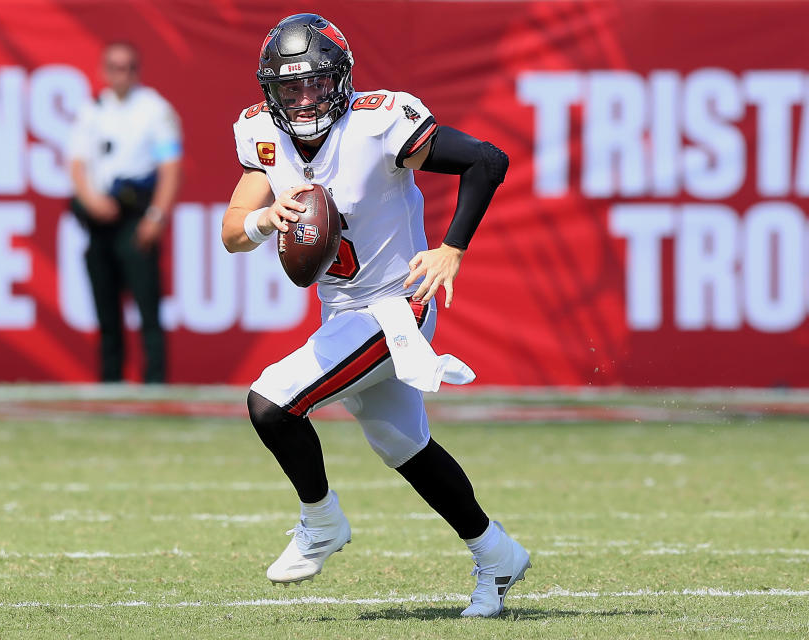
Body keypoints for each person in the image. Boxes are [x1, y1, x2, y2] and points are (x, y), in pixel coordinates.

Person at [221, 14, 528, 618]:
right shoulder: (260, 133)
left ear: (340, 81)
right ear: (270, 92)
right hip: (344, 313)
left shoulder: (378, 122)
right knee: (403, 445)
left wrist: (452, 246)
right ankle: (497, 554)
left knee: (271, 401)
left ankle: (321, 521)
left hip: (397, 308)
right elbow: (233, 231)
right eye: (289, 88)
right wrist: (265, 219)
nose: (303, 99)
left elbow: (487, 160)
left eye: (313, 84)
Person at [67, 41, 183, 383]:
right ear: (104, 71)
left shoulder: (154, 109)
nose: (122, 75)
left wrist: (156, 217)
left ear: (137, 71)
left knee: (148, 308)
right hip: (99, 218)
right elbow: (77, 164)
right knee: (105, 309)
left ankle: (155, 385)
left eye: (129, 67)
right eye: (115, 68)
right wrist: (91, 200)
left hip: (136, 216)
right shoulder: (92, 110)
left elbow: (170, 168)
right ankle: (110, 383)